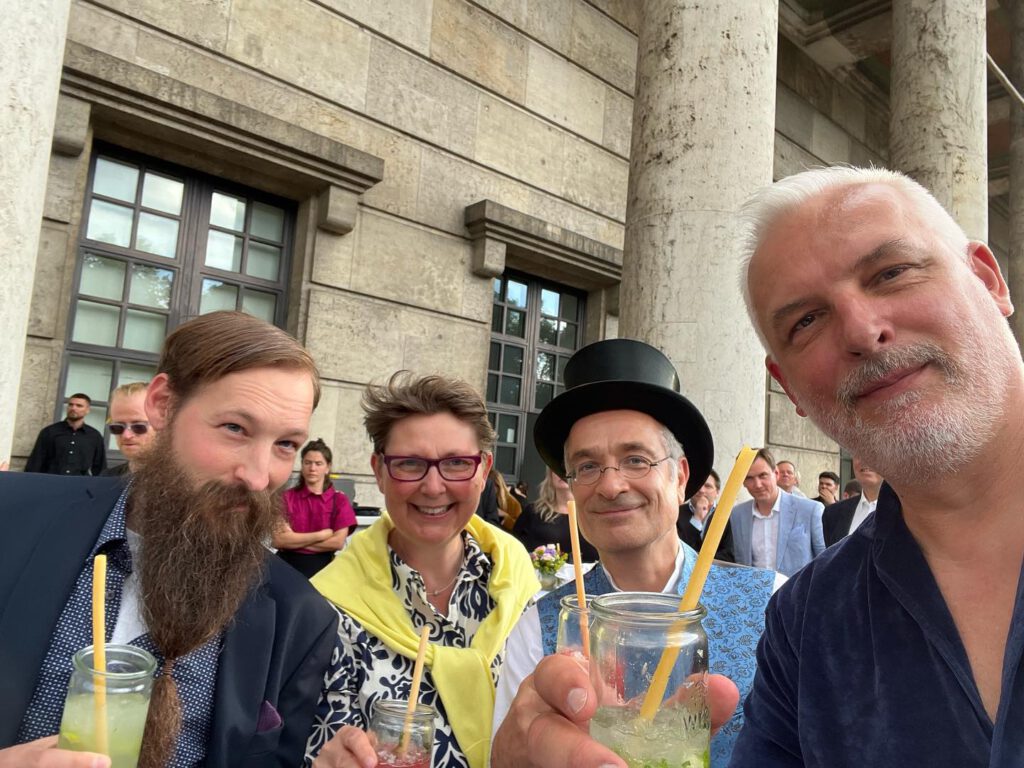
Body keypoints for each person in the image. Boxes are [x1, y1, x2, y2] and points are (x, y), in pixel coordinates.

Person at [727, 166, 1024, 764]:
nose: (863, 332)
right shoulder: (804, 626)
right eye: (806, 321)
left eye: (891, 273)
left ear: (989, 281)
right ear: (789, 388)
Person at [0, 311, 339, 767]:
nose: (260, 478)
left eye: (285, 445)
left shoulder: (300, 617)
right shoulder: (12, 516)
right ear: (162, 404)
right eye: (235, 429)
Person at [492, 339, 777, 766]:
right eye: (587, 467)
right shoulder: (539, 627)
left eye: (637, 460)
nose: (610, 486)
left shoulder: (777, 602)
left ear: (680, 477)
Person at [308, 373, 538, 768]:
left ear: (483, 470)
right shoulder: (326, 612)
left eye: (456, 463)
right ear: (379, 471)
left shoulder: (520, 585)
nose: (433, 487)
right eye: (410, 463)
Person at [729, 448, 825, 576]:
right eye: (749, 478)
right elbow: (741, 564)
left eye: (763, 475)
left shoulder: (810, 510)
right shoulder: (737, 515)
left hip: (798, 593)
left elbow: (824, 560)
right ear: (742, 481)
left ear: (776, 474)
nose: (757, 484)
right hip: (756, 594)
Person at [273, 438, 356, 578]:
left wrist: (293, 541)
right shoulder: (286, 498)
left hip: (322, 569)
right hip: (285, 567)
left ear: (327, 467)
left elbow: (337, 542)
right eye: (308, 463)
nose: (312, 468)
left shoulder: (339, 501)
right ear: (302, 465)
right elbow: (278, 541)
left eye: (318, 464)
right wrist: (321, 535)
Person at [511, 468, 598, 562]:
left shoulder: (596, 514)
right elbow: (513, 548)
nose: (563, 473)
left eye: (568, 467)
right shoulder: (533, 512)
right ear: (550, 475)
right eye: (557, 468)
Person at [24, 392, 106, 476]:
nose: (73, 408)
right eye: (71, 405)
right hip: (51, 483)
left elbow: (100, 467)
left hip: (80, 485)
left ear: (88, 410)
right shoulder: (49, 432)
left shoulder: (94, 436)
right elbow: (35, 462)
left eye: (79, 406)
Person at [822, 458, 883, 547]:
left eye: (873, 453)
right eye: (859, 452)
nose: (865, 459)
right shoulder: (833, 514)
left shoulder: (906, 513)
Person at [101, 381, 155, 477]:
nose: (126, 435)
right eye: (117, 427)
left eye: (138, 427)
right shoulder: (107, 479)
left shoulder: (185, 483)